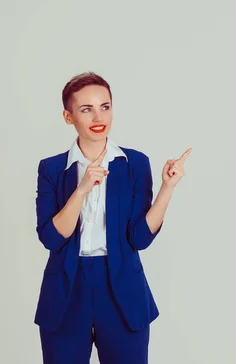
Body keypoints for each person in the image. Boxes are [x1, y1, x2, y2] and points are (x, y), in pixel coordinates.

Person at [34, 72, 191, 363]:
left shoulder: (135, 164)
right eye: (86, 109)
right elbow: (51, 237)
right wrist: (81, 190)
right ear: (68, 117)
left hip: (122, 290)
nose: (98, 116)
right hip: (67, 291)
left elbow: (139, 239)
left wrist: (167, 189)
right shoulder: (52, 168)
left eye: (105, 106)